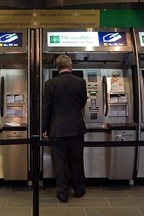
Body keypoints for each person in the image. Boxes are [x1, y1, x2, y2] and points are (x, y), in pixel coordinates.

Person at [42, 55, 87, 203]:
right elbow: (82, 102)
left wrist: (45, 129)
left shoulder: (49, 84)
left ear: (57, 67)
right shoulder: (80, 82)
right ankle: (79, 190)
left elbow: (46, 108)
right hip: (76, 128)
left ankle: (62, 193)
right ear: (70, 65)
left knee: (60, 162)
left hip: (58, 129)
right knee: (77, 160)